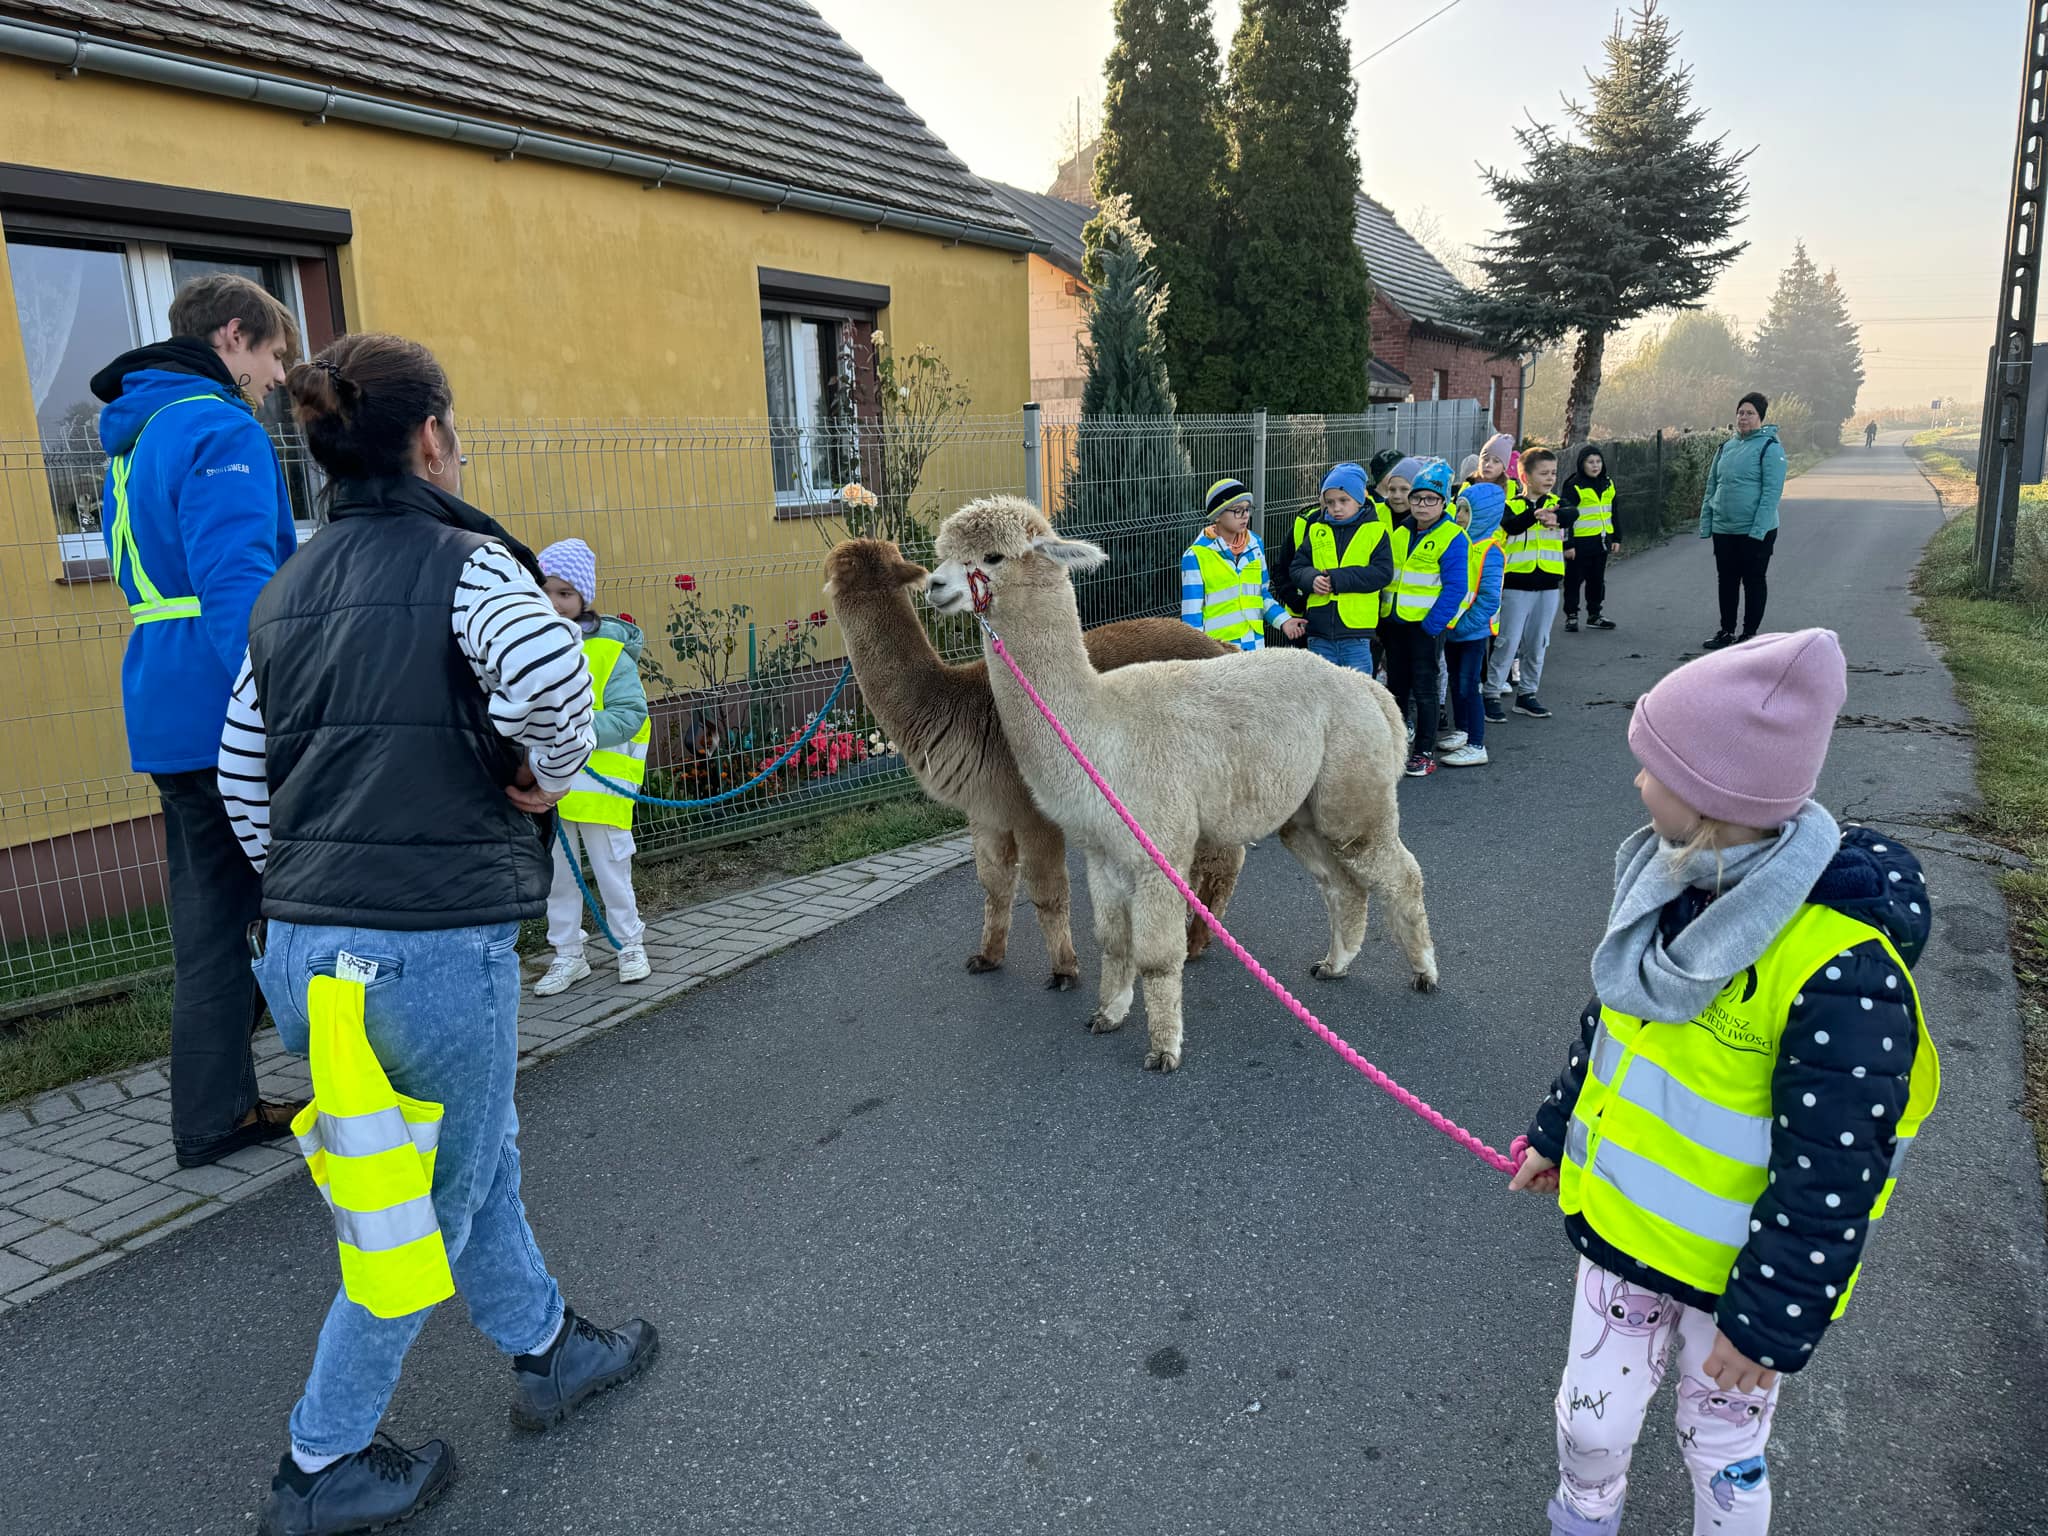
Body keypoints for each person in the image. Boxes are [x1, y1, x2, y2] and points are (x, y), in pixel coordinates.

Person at [219, 332, 657, 1536]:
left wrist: (307, 891)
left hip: (308, 946)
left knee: (469, 1157)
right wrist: (551, 776)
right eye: (451, 430)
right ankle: (321, 1461)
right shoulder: (469, 565)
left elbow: (238, 775)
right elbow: (555, 688)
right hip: (432, 946)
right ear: (427, 438)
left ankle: (547, 1345)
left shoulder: (286, 588)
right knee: (422, 1210)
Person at [1508, 629, 1938, 1536]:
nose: (1636, 783)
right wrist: (1554, 1133)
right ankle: (1581, 1516)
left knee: (1723, 1453)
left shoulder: (1839, 971)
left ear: (1713, 797)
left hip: (1734, 1286)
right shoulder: (1670, 886)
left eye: (1652, 768)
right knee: (1591, 1422)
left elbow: (1834, 1170)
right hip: (1620, 1241)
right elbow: (1609, 1029)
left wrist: (1770, 1321)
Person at [94, 273, 302, 1168]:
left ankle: (218, 1100)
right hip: (224, 701)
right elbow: (237, 589)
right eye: (274, 354)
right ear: (232, 337)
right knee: (248, 911)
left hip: (162, 697)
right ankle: (216, 1117)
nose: (281, 376)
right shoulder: (220, 426)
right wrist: (283, 706)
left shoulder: (136, 435)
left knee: (209, 912)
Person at [534, 537, 655, 996]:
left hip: (601, 790)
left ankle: (629, 944)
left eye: (564, 593)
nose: (553, 602)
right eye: (544, 591)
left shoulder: (607, 651)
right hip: (550, 789)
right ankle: (568, 954)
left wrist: (577, 730)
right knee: (558, 880)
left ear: (584, 598)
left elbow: (630, 715)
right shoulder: (529, 649)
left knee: (611, 872)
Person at [1382, 460, 1469, 778]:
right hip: (1393, 624)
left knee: (1426, 690)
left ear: (1443, 502)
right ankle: (1399, 747)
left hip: (1424, 628)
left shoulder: (1452, 537)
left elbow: (1457, 587)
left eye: (1430, 499)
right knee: (1396, 688)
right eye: (1417, 498)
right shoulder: (1399, 532)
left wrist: (1433, 626)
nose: (1421, 504)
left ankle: (1424, 753)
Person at [1486, 447, 1568, 722]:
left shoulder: (1559, 503)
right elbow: (1511, 526)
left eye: (1553, 473)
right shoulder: (1511, 505)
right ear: (1524, 476)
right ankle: (1492, 693)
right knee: (1508, 642)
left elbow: (1574, 513)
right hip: (1516, 586)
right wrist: (1535, 514)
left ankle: (1528, 694)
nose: (1550, 478)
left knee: (1538, 643)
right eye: (1543, 473)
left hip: (1548, 586)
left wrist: (1556, 517)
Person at [1700, 393, 1786, 650]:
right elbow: (1712, 485)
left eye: (1749, 413)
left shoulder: (1771, 448)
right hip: (1724, 528)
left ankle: (1749, 634)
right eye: (1740, 412)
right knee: (1726, 580)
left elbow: (1772, 493)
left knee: (1753, 580)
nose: (1743, 417)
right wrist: (1708, 521)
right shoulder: (1725, 447)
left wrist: (1757, 531)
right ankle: (1726, 631)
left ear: (1760, 418)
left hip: (1755, 530)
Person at [1289, 462, 1390, 679]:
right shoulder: (1317, 530)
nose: (1336, 508)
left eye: (1344, 501)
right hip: (1318, 630)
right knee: (1321, 692)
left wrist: (1336, 579)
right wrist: (1312, 579)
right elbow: (1297, 567)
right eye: (1330, 502)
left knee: (1357, 693)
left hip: (1356, 632)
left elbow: (1381, 573)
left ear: (1359, 500)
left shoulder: (1375, 531)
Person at [1438, 476, 1505, 768]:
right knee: (1456, 683)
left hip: (1472, 633)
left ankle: (1477, 744)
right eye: (1459, 508)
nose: (1460, 515)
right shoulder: (1457, 542)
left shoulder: (1490, 551)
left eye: (1466, 511)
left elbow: (1489, 598)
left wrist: (1461, 627)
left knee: (1469, 686)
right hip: (1452, 631)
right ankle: (1463, 731)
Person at [1559, 444, 1621, 632]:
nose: (1595, 466)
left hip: (1601, 540)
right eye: (1590, 462)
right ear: (1582, 464)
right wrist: (1568, 544)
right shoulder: (1574, 486)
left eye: (1598, 462)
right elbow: (1565, 517)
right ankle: (1571, 615)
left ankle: (1594, 614)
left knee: (1597, 580)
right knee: (1573, 580)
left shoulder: (1608, 483)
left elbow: (1614, 512)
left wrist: (1617, 537)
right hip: (1579, 543)